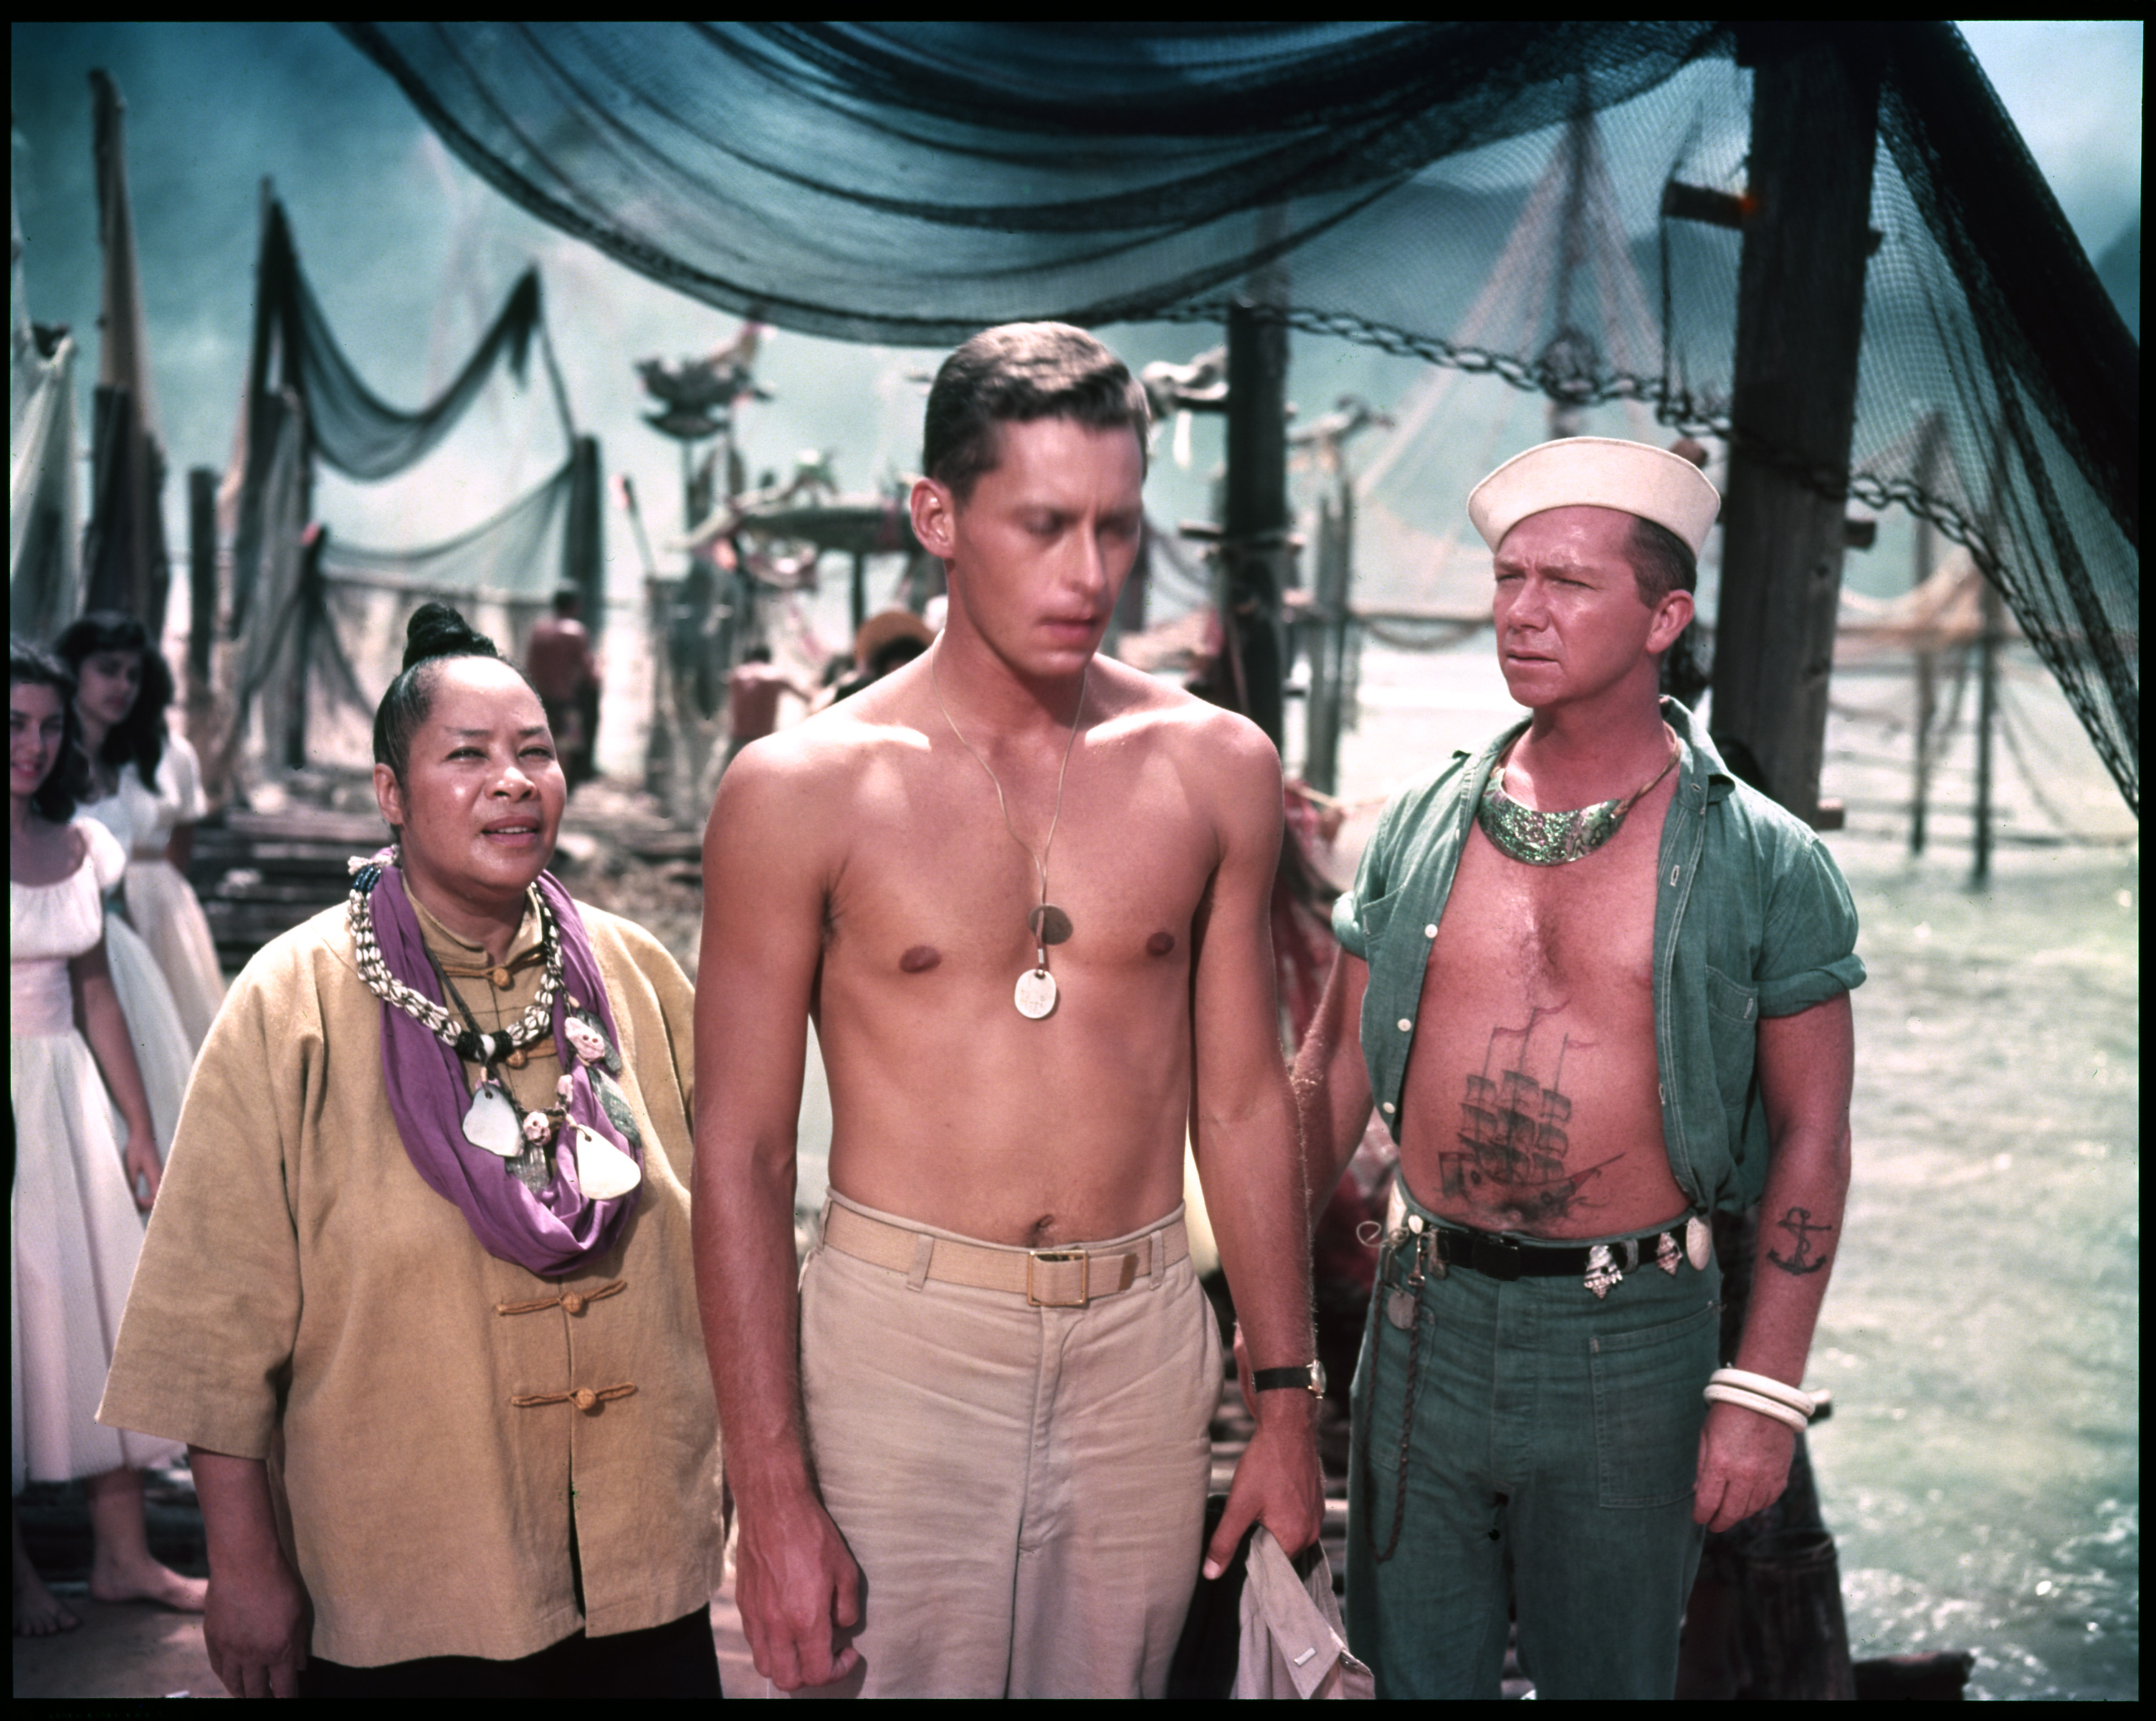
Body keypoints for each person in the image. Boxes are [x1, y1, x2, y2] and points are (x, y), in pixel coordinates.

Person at [695, 323, 1323, 1698]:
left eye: (1115, 528)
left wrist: (1284, 1406)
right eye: (1044, 526)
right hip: (900, 1341)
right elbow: (736, 1155)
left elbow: (1238, 1099)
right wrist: (770, 1490)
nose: (1087, 574)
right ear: (937, 516)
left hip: (1144, 1341)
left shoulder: (1213, 765)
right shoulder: (799, 790)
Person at [1294, 437, 1864, 1699]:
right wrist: (1268, 1336)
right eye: (1506, 577)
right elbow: (1331, 1069)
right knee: (1406, 1676)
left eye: (1564, 581)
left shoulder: (1763, 860)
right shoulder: (1421, 820)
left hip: (1629, 1338)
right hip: (1419, 1321)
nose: (1520, 610)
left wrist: (1762, 1386)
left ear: (1666, 616)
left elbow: (1812, 1133)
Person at [96, 604, 723, 1697]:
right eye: (468, 755)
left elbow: (734, 1238)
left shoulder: (633, 973)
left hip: (642, 1567)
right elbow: (214, 1315)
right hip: (403, 1587)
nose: (515, 781)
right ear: (391, 793)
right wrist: (242, 1566)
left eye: (536, 752)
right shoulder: (294, 1000)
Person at [9, 639, 207, 1637]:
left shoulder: (79, 844)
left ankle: (125, 1555)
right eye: (15, 724)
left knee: (98, 1306)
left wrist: (138, 1126)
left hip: (68, 1096)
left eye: (48, 726)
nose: (36, 746)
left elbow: (97, 994)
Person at [57, 612, 225, 1056]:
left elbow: (182, 834)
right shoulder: (49, 757)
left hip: (132, 918)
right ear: (74, 670)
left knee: (158, 1039)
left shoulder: (137, 759)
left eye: (133, 674)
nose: (123, 686)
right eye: (108, 670)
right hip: (69, 924)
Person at [527, 587, 601, 790]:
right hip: (566, 699)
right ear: (575, 606)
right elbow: (590, 674)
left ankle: (539, 787)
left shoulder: (539, 629)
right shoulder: (575, 632)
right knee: (566, 745)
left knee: (540, 744)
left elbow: (531, 665)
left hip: (540, 697)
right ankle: (560, 790)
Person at [723, 644, 809, 770]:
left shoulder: (735, 676)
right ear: (769, 658)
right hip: (763, 742)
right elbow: (807, 697)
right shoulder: (776, 676)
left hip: (738, 740)